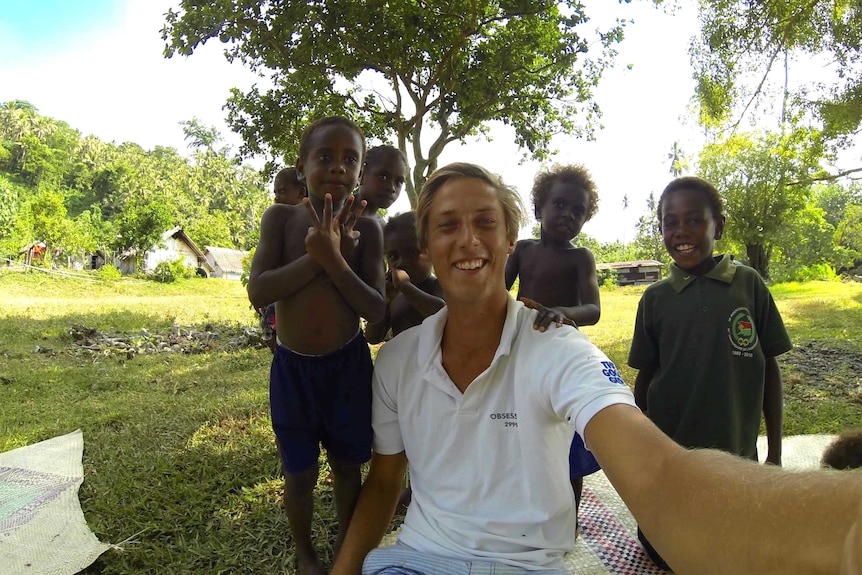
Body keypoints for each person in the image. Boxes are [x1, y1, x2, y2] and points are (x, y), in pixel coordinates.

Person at [330, 162, 862, 575]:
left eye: (485, 223)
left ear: (509, 238)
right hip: (419, 558)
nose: (468, 240)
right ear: (426, 245)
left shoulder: (559, 350)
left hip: (529, 565)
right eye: (447, 226)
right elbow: (383, 482)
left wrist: (844, 531)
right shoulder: (398, 361)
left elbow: (658, 476)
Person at [628, 176, 792, 569]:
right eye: (670, 222)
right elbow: (645, 380)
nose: (681, 232)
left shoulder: (749, 285)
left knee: (736, 539)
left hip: (737, 448)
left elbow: (768, 366)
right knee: (666, 544)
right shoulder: (655, 299)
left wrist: (776, 450)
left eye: (694, 220)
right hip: (673, 451)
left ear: (719, 225)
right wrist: (639, 449)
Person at [247, 116, 385, 575]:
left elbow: (377, 310)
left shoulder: (371, 228)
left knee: (348, 465)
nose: (337, 168)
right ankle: (307, 555)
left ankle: (348, 545)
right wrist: (317, 256)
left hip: (348, 369)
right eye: (324, 156)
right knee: (299, 472)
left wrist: (336, 260)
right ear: (302, 165)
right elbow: (259, 291)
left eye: (350, 159)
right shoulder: (281, 219)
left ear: (361, 172)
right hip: (293, 371)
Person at [504, 164, 602, 536]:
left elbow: (593, 309)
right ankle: (523, 508)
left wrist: (562, 312)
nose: (567, 216)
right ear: (539, 207)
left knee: (569, 443)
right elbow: (500, 291)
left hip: (564, 358)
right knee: (522, 430)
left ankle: (569, 519)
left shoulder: (581, 258)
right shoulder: (524, 250)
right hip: (523, 353)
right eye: (559, 204)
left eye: (578, 211)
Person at [365, 211, 445, 345]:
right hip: (405, 364)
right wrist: (385, 304)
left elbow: (443, 317)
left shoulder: (438, 285)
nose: (402, 262)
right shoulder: (395, 296)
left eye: (413, 252)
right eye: (393, 256)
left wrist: (406, 287)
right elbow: (372, 337)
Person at [259, 167, 307, 354]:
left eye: (282, 191)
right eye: (275, 192)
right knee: (275, 343)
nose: (277, 197)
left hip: (294, 297)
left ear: (301, 192)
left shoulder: (309, 221)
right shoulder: (276, 220)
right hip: (274, 292)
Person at [355, 145, 409, 224]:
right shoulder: (335, 213)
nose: (391, 188)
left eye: (398, 182)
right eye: (383, 177)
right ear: (362, 174)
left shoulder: (383, 228)